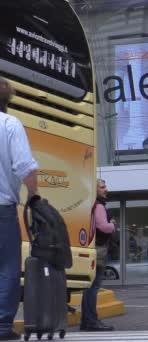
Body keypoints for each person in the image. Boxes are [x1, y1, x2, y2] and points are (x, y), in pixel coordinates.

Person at [0, 77, 38, 341]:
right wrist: (35, 197)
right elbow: (25, 166)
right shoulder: (10, 124)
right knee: (8, 268)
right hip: (2, 208)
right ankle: (1, 327)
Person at [81, 179, 116, 331]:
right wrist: (113, 225)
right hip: (99, 250)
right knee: (93, 288)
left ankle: (86, 321)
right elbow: (103, 227)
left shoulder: (90, 205)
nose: (106, 189)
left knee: (89, 288)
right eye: (102, 187)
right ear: (95, 190)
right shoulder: (99, 206)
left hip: (91, 248)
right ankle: (91, 321)